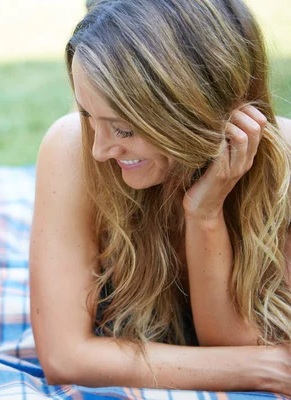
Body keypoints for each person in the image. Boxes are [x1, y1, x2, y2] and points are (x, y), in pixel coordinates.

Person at [30, 0, 291, 394]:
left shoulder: (281, 165)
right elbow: (65, 358)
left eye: (122, 129)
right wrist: (265, 366)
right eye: (87, 115)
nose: (100, 149)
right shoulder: (72, 148)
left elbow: (235, 352)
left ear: (193, 110)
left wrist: (204, 213)